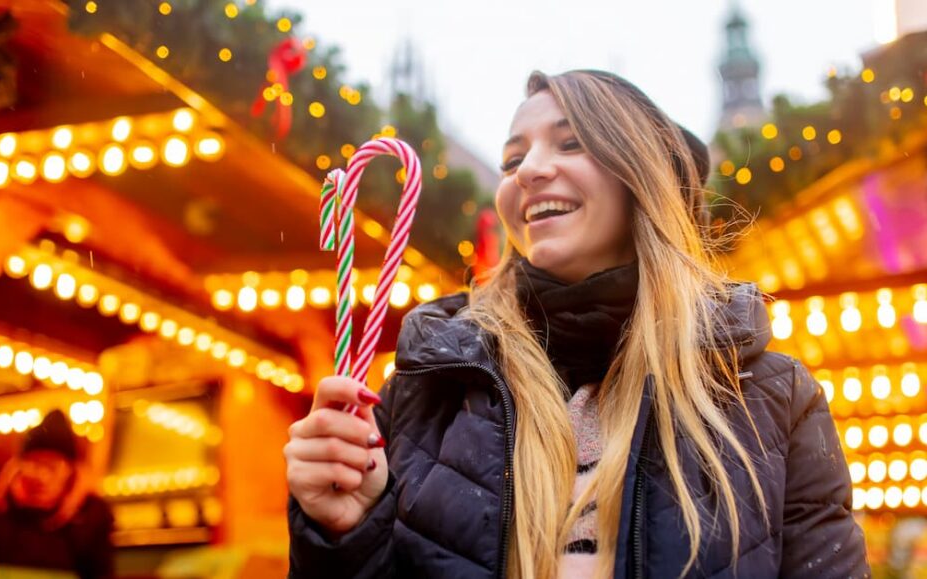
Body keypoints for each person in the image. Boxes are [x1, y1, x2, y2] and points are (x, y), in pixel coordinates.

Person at [284, 70, 870, 578]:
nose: (528, 171)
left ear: (642, 178)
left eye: (572, 144)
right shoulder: (423, 395)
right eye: (513, 160)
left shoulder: (773, 397)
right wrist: (342, 536)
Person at [0, 409, 114, 579]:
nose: (41, 474)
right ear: (19, 465)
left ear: (70, 469)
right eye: (33, 463)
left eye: (52, 466)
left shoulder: (91, 514)